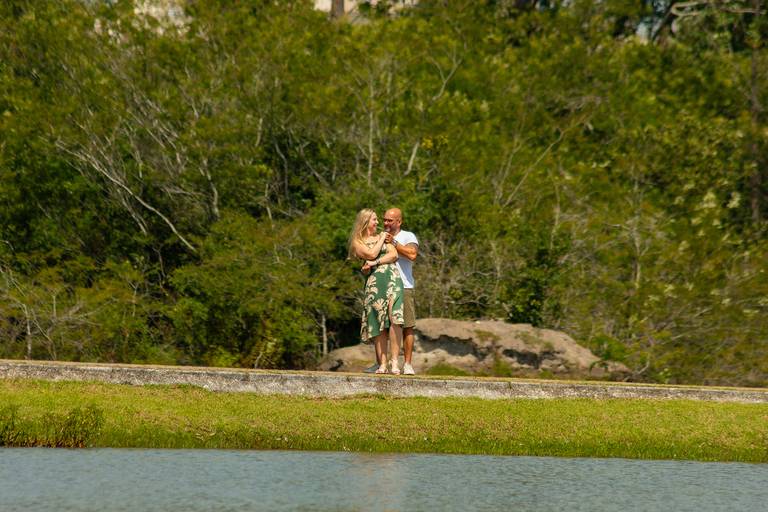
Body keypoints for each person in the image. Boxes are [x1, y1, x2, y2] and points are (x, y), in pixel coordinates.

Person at [348, 208, 405, 374]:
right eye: (374, 220)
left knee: (395, 318)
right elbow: (370, 253)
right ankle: (382, 363)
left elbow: (393, 256)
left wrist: (375, 263)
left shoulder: (384, 237)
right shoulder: (358, 242)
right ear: (366, 222)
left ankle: (395, 362)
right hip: (375, 283)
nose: (378, 223)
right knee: (378, 321)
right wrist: (381, 240)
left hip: (393, 278)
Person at [383, 208, 419, 375]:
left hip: (404, 286)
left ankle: (408, 364)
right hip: (385, 286)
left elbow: (412, 255)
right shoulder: (380, 237)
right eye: (384, 220)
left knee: (407, 326)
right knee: (382, 326)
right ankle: (382, 363)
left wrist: (395, 243)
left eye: (390, 220)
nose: (386, 223)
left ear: (399, 221)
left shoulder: (408, 236)